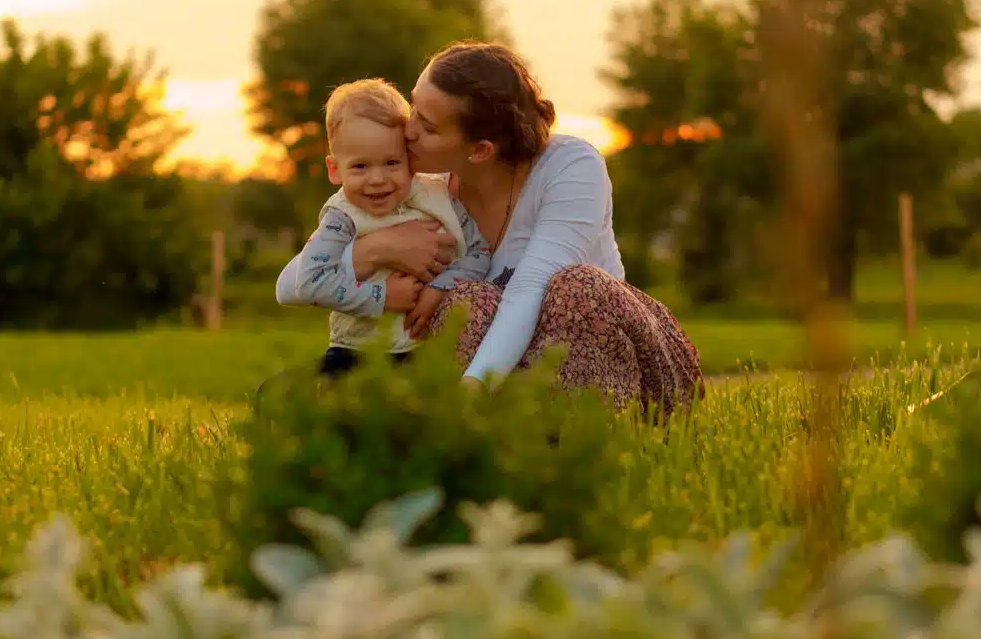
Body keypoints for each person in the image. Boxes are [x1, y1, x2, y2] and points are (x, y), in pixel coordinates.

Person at [278, 42, 704, 416]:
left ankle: (597, 440)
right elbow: (293, 284)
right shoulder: (428, 192)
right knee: (466, 300)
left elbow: (530, 289)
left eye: (426, 125)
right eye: (413, 109)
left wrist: (473, 388)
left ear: (480, 150)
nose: (406, 131)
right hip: (516, 377)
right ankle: (500, 438)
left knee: (575, 287)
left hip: (622, 368)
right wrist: (377, 248)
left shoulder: (571, 167)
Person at [284, 78, 491, 377]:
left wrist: (438, 289)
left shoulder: (437, 197)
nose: (378, 179)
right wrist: (381, 296)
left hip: (424, 350)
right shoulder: (342, 217)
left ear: (411, 161)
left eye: (392, 163)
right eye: (360, 167)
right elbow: (311, 281)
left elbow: (479, 254)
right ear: (334, 169)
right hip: (355, 353)